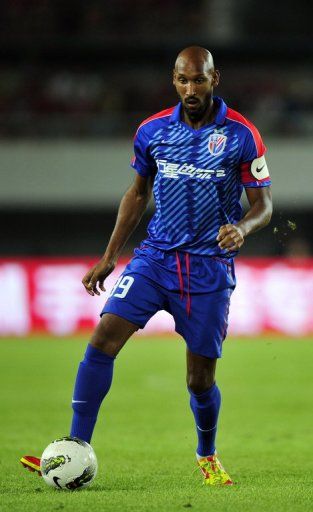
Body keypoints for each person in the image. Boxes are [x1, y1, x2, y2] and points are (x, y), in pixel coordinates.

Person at [21, 46, 272, 486]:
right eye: (182, 80)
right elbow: (137, 194)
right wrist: (109, 256)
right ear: (173, 80)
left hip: (208, 271)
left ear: (216, 79)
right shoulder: (152, 130)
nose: (190, 88)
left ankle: (207, 452)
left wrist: (243, 229)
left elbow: (264, 205)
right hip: (154, 259)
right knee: (102, 338)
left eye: (199, 79)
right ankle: (74, 447)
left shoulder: (241, 135)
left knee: (199, 381)